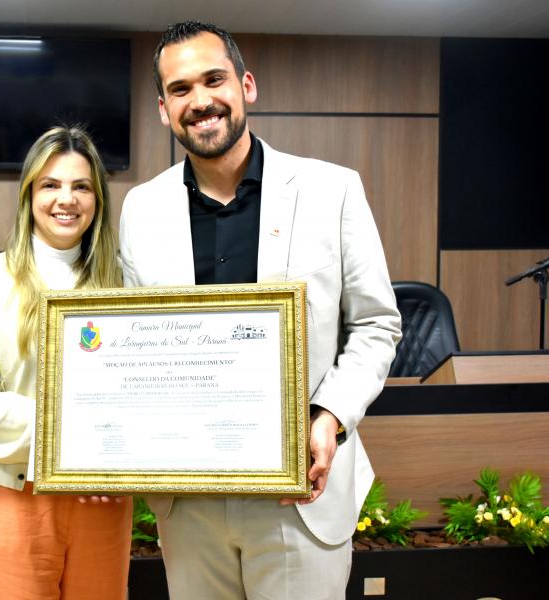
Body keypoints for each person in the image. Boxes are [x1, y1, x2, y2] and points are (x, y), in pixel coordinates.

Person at [119, 22, 402, 600]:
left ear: (246, 85)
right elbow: (133, 342)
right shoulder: (140, 209)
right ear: (163, 109)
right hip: (189, 501)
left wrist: (330, 416)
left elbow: (376, 324)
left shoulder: (332, 190)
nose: (200, 101)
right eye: (180, 89)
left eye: (214, 79)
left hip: (300, 493)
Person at [0, 125, 130, 600]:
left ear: (98, 199)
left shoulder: (125, 287)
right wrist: (81, 438)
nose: (66, 199)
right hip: (11, 498)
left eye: (81, 186)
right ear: (29, 194)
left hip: (101, 498)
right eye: (50, 184)